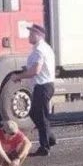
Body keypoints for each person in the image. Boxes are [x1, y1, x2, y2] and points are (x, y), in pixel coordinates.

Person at [18, 23, 56, 156]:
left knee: (41, 116)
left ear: (38, 35)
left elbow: (36, 70)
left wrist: (18, 76)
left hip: (43, 86)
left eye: (32, 33)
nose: (29, 35)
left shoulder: (40, 49)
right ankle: (49, 138)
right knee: (35, 113)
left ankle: (45, 147)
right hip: (44, 86)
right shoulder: (43, 48)